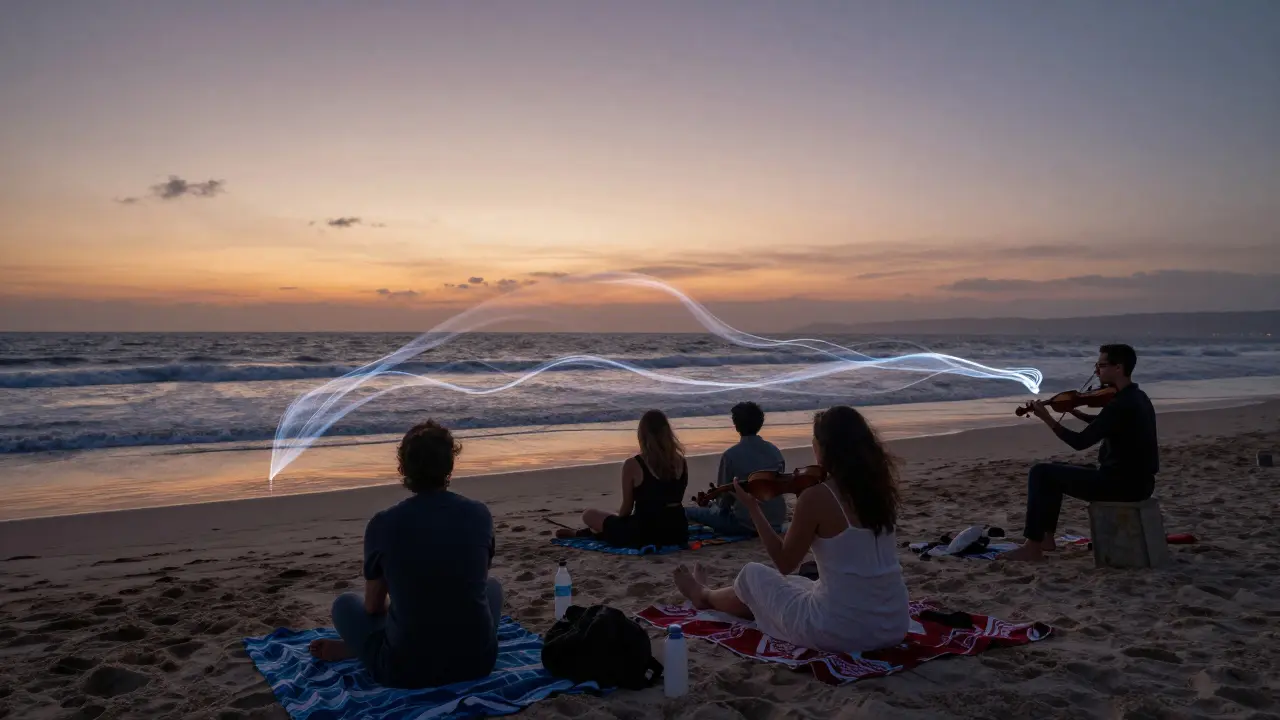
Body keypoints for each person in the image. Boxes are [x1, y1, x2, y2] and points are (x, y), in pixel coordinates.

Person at [671, 406, 909, 654]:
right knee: (796, 583)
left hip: (841, 631)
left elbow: (784, 561)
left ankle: (704, 595)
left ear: (824, 447)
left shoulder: (817, 496)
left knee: (753, 575)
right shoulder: (880, 491)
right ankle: (711, 595)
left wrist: (753, 508)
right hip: (893, 624)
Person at [309, 420, 503, 688]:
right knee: (492, 588)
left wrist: (400, 607)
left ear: (404, 468)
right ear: (450, 465)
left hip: (406, 670)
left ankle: (361, 648)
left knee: (344, 605)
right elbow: (471, 585)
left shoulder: (384, 524)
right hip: (478, 663)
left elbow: (373, 607)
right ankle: (370, 645)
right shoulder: (479, 514)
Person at [1004, 343, 1159, 562]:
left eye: (1102, 365)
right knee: (1058, 469)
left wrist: (1046, 418)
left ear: (1118, 367)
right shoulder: (1137, 397)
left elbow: (1079, 442)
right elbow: (1102, 423)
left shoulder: (1120, 404)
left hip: (1121, 486)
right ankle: (1046, 538)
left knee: (1040, 472)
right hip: (1139, 483)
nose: (1096, 371)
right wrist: (1074, 410)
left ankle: (1032, 547)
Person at [559, 410, 689, 548]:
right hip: (678, 532)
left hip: (647, 533)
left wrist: (616, 523)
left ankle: (588, 533)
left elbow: (627, 509)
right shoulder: (681, 461)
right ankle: (593, 532)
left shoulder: (634, 464)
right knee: (615, 520)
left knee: (589, 515)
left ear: (642, 434)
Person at [685, 401, 786, 536]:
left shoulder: (731, 455)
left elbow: (723, 505)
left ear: (736, 425)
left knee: (688, 511)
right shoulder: (775, 451)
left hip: (746, 524)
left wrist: (711, 503)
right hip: (776, 520)